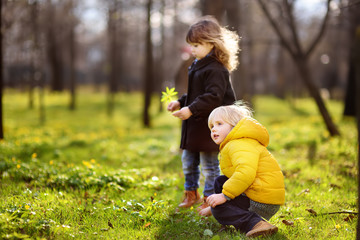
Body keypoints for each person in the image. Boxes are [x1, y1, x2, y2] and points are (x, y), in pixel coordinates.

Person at [167, 16, 239, 212]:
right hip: (195, 123)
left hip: (212, 124)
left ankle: (209, 198)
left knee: (209, 165)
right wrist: (180, 102)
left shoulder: (216, 68)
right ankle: (191, 193)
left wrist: (190, 109)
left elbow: (213, 97)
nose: (193, 49)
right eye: (191, 45)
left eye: (197, 45)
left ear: (212, 44)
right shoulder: (197, 64)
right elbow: (195, 94)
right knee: (188, 161)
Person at [202, 103, 285, 238]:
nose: (213, 129)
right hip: (258, 192)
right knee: (220, 181)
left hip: (262, 200)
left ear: (234, 125)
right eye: (211, 126)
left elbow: (245, 172)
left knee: (220, 209)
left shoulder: (239, 144)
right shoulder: (236, 142)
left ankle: (256, 223)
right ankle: (227, 213)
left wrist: (224, 196)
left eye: (219, 124)